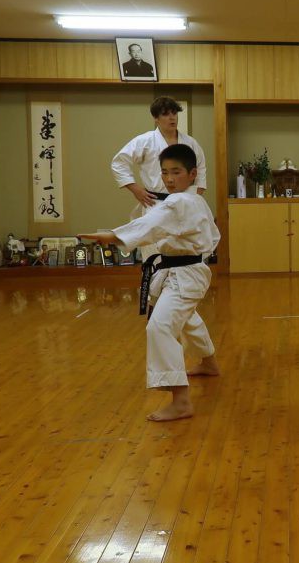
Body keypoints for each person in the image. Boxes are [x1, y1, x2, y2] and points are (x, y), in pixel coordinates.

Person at [80, 144, 220, 422]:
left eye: (176, 172)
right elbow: (213, 236)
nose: (169, 179)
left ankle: (181, 401)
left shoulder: (179, 202)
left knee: (160, 326)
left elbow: (154, 222)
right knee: (187, 317)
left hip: (185, 273)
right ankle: (208, 362)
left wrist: (114, 236)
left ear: (192, 174)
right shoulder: (194, 201)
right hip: (186, 271)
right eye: (165, 172)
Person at [111, 96, 207, 256]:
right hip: (155, 203)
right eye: (166, 114)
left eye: (174, 113)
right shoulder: (145, 141)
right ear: (156, 118)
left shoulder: (190, 143)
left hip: (184, 205)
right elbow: (119, 163)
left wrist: (194, 197)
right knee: (154, 255)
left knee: (186, 253)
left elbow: (201, 170)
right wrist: (135, 189)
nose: (172, 117)